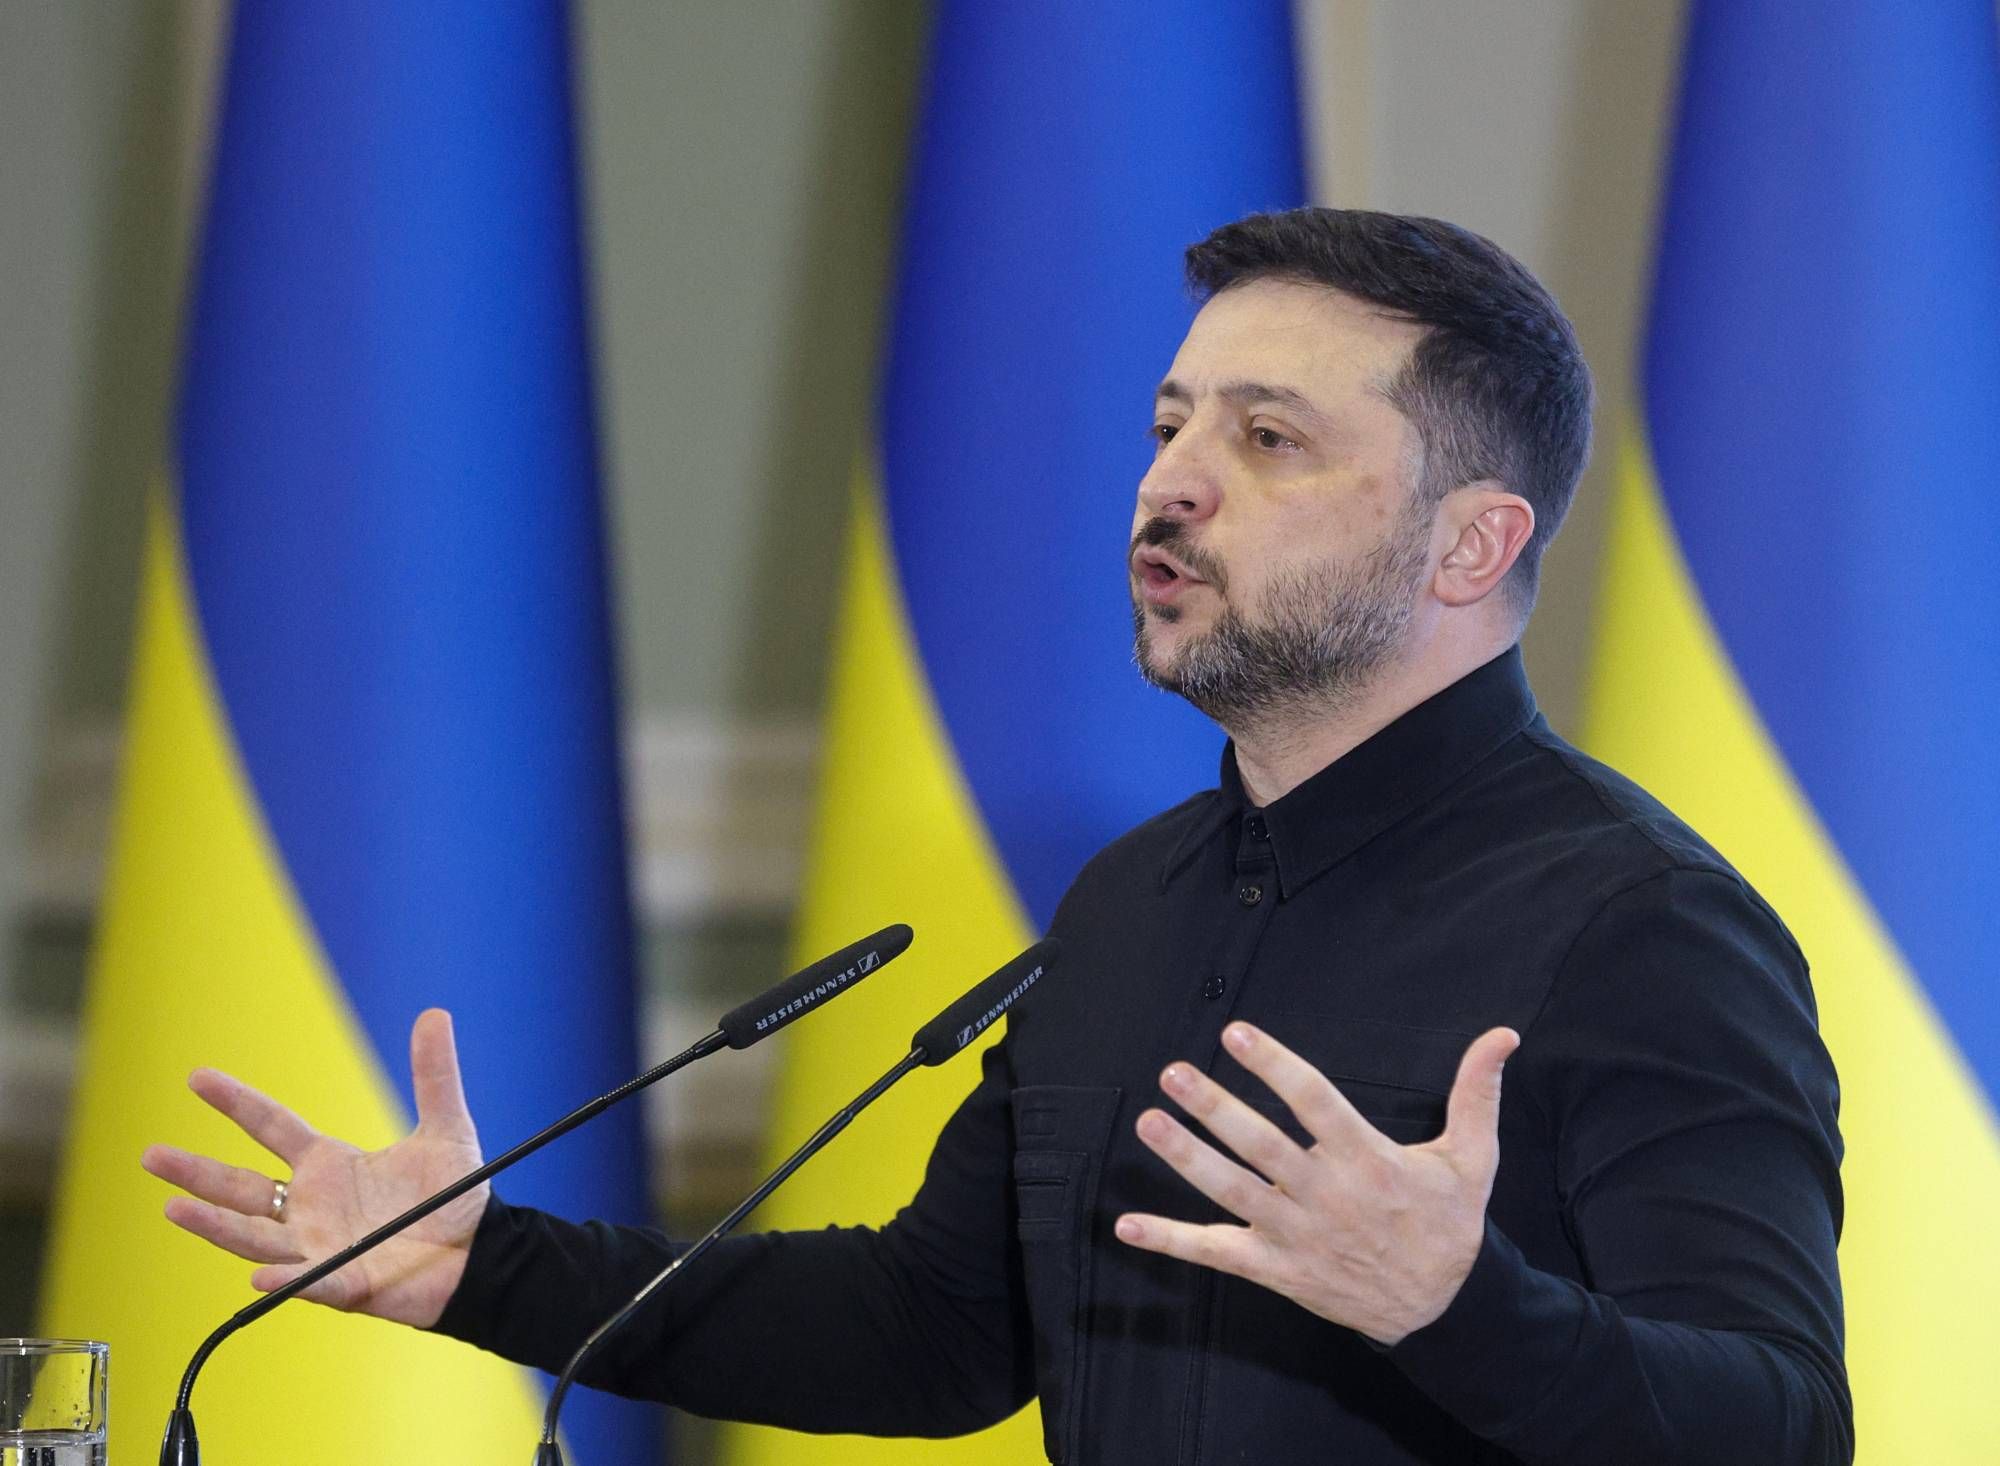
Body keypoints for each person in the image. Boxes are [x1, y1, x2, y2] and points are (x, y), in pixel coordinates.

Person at [144, 208, 1851, 1465]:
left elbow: (1784, 1425)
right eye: (1171, 425)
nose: (1172, 482)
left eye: (1267, 438)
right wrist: (483, 1264)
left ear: (1470, 545)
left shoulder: (1643, 925)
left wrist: (1454, 1301)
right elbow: (938, 1328)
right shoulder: (1129, 903)